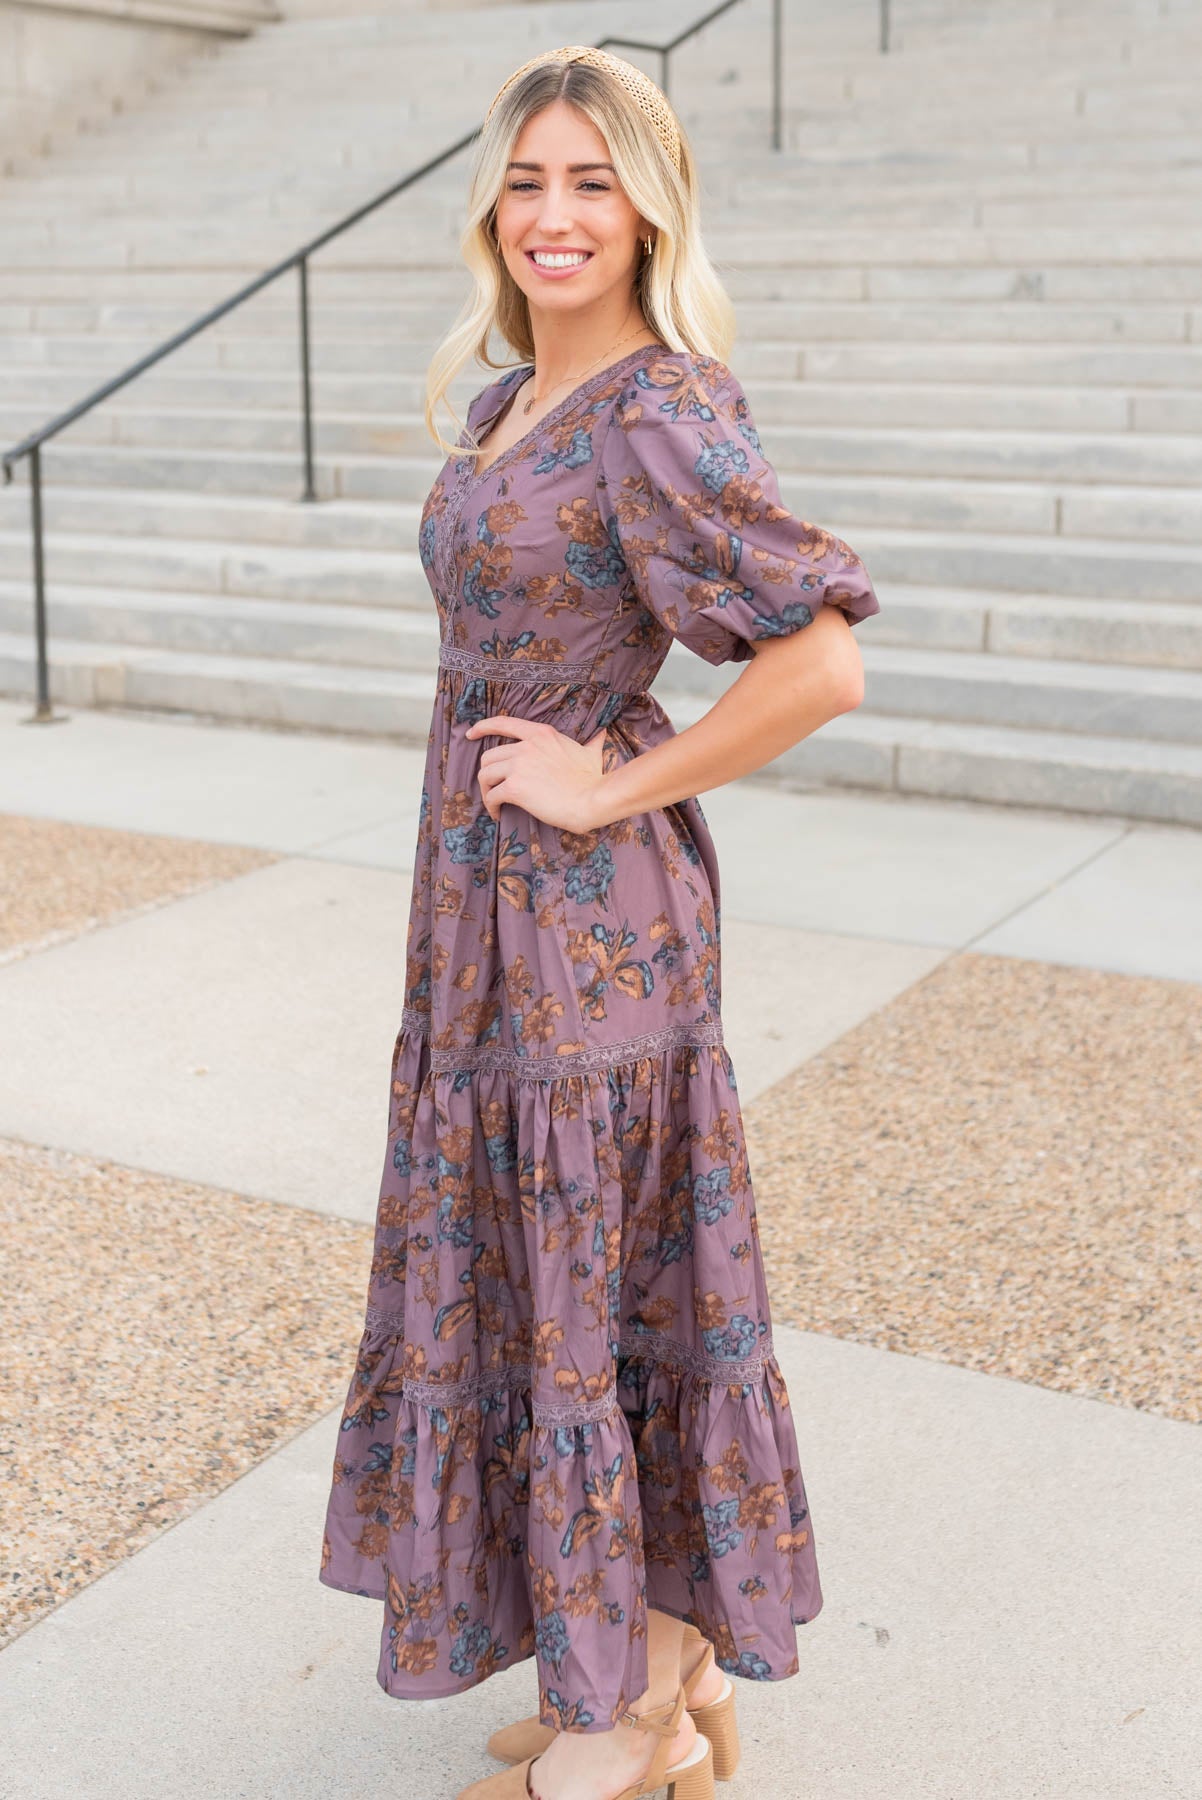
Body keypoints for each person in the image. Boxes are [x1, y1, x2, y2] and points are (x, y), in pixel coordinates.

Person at [318, 44, 880, 1800]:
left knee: (599, 1272)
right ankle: (647, 1651)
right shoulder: (505, 405)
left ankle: (634, 1700)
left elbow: (819, 664)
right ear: (492, 206)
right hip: (478, 911)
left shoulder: (662, 406)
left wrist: (601, 786)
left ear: (649, 204)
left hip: (590, 927)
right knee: (561, 1276)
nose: (556, 215)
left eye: (593, 181)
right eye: (528, 181)